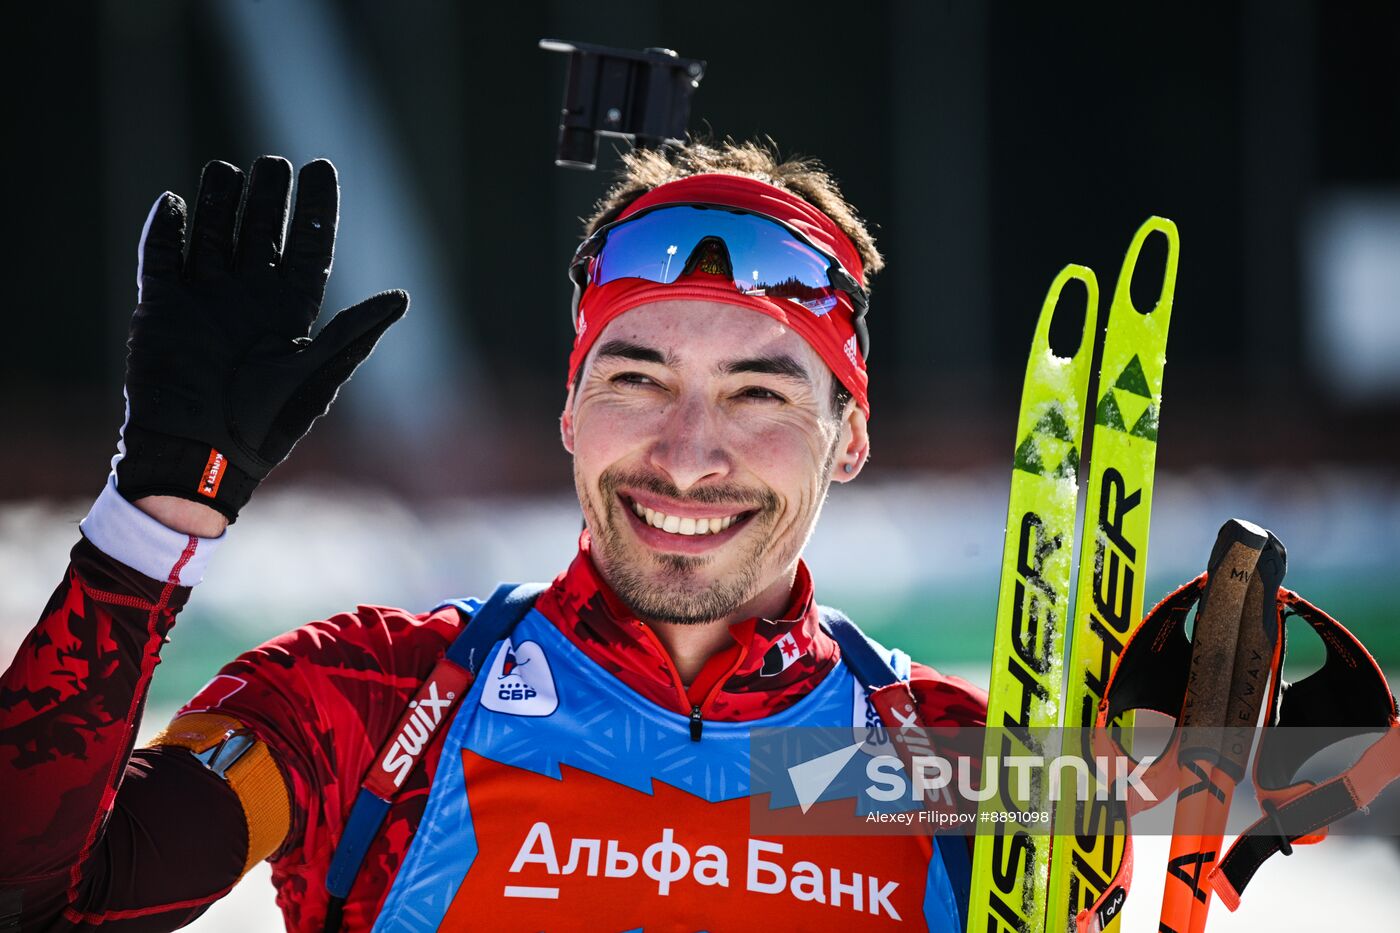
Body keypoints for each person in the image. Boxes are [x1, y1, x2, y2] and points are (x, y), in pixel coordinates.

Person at [0, 141, 986, 932]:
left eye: (758, 394)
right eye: (636, 380)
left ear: (848, 439)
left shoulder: (959, 761)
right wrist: (152, 520)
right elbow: (41, 907)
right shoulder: (371, 700)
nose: (687, 458)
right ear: (570, 412)